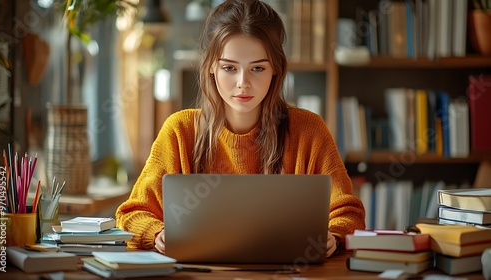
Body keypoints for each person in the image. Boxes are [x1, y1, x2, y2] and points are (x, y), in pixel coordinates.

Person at [116, 0, 365, 258]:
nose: (243, 83)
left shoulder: (309, 130)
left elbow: (348, 212)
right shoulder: (180, 131)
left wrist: (334, 235)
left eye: (257, 68)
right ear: (211, 67)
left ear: (276, 69)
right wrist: (157, 234)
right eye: (229, 68)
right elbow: (132, 213)